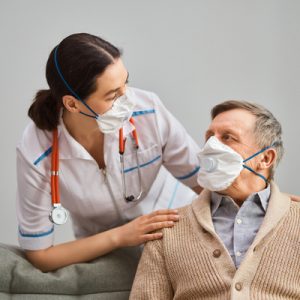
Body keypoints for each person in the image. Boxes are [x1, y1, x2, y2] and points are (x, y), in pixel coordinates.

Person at [16, 33, 202, 272]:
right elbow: (40, 255)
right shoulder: (36, 151)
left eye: (126, 83)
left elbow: (206, 184)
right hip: (106, 253)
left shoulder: (149, 111)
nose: (129, 99)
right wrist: (120, 237)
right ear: (72, 104)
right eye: (113, 95)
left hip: (177, 229)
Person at [130, 100, 300, 299]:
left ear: (265, 158)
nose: (212, 146)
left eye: (228, 137)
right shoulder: (167, 230)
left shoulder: (296, 219)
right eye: (210, 137)